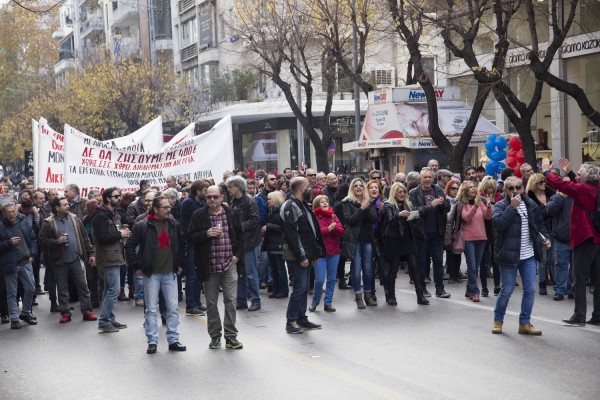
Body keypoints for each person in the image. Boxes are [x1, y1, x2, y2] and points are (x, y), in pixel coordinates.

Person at [125, 196, 187, 354]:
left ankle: (173, 340)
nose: (169, 209)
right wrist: (136, 266)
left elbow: (182, 244)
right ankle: (152, 341)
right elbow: (130, 246)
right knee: (151, 309)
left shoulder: (174, 224)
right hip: (151, 274)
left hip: (170, 274)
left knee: (173, 308)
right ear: (156, 209)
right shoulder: (142, 226)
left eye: (169, 207)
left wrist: (180, 265)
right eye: (165, 207)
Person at [542, 158, 600, 326]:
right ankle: (597, 315)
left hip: (585, 238)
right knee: (597, 281)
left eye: (579, 173)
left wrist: (546, 171)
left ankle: (579, 316)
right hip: (597, 240)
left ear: (586, 178)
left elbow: (564, 186)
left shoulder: (583, 190)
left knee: (579, 279)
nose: (577, 176)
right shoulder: (594, 188)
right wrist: (570, 172)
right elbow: (575, 184)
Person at [186, 185, 244, 349]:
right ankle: (215, 336)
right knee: (211, 303)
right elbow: (189, 236)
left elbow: (240, 236)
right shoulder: (199, 215)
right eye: (209, 197)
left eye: (215, 196)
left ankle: (231, 336)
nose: (212, 200)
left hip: (228, 263)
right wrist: (206, 233)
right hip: (209, 265)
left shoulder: (230, 213)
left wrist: (237, 256)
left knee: (231, 301)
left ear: (221, 197)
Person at [491, 176, 550, 335]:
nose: (515, 191)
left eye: (518, 187)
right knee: (507, 290)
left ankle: (524, 323)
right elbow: (500, 226)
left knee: (530, 289)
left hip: (528, 255)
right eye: (511, 188)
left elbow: (540, 226)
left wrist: (546, 239)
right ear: (505, 190)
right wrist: (512, 207)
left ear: (523, 188)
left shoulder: (531, 205)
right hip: (508, 256)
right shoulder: (500, 206)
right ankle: (498, 320)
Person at [38, 197, 97, 323]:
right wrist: (56, 241)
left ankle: (87, 311)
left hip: (75, 259)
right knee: (62, 288)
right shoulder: (48, 222)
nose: (68, 206)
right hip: (59, 261)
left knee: (83, 286)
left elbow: (84, 237)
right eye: (64, 204)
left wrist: (91, 253)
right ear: (57, 208)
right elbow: (42, 241)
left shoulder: (74, 218)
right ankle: (65, 312)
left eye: (68, 203)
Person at [282, 177, 325, 333]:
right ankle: (291, 321)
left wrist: (313, 253)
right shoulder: (289, 206)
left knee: (304, 287)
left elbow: (309, 232)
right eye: (308, 186)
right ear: (301, 188)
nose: (311, 189)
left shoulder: (302, 205)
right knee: (299, 288)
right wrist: (302, 256)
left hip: (306, 254)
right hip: (297, 256)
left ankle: (301, 318)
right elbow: (292, 235)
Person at [383, 182, 429, 305]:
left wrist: (416, 218)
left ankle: (420, 296)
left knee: (415, 269)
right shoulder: (388, 205)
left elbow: (412, 226)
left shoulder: (407, 205)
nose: (402, 194)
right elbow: (390, 222)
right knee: (393, 270)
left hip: (408, 241)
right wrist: (398, 215)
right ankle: (391, 296)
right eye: (400, 192)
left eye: (404, 192)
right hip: (394, 241)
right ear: (394, 193)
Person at [92, 187, 131, 333]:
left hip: (115, 255)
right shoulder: (100, 216)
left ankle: (109, 318)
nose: (119, 198)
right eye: (116, 196)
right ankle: (103, 321)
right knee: (114, 289)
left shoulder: (112, 214)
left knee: (108, 289)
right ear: (108, 198)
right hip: (108, 256)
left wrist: (122, 233)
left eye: (119, 195)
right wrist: (119, 234)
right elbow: (102, 238)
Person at [409, 168, 451, 299]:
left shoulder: (439, 190)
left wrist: (443, 204)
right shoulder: (414, 192)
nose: (427, 179)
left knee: (438, 262)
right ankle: (422, 289)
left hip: (437, 232)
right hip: (421, 233)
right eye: (424, 177)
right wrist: (430, 206)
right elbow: (414, 210)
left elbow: (448, 208)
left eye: (429, 177)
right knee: (422, 262)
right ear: (420, 179)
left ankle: (440, 289)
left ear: (433, 178)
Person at [340, 178, 378, 308]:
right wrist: (361, 208)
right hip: (354, 241)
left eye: (361, 185)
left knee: (368, 269)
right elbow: (350, 221)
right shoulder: (346, 202)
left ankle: (368, 295)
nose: (358, 187)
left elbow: (373, 219)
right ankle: (358, 297)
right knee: (356, 269)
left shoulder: (369, 202)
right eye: (355, 185)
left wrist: (366, 207)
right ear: (352, 188)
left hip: (367, 239)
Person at [0, 202, 38, 329]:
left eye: (13, 211)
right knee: (12, 292)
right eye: (8, 212)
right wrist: (8, 243)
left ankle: (26, 312)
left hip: (25, 261)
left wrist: (32, 254)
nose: (11, 214)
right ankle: (14, 319)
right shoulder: (1, 226)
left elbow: (32, 239)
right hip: (10, 264)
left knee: (30, 288)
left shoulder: (23, 221)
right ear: (4, 214)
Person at [227, 176, 262, 312]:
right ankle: (241, 300)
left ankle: (255, 300)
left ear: (238, 187)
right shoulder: (233, 201)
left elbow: (255, 220)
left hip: (249, 242)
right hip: (237, 243)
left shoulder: (250, 201)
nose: (229, 189)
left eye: (231, 186)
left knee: (251, 273)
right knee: (240, 272)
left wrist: (238, 227)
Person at [456, 180, 492, 302]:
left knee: (475, 266)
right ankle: (476, 291)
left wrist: (488, 205)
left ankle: (469, 289)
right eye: (470, 187)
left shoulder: (480, 201)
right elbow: (466, 218)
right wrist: (476, 206)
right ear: (465, 190)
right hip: (468, 238)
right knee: (471, 266)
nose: (473, 188)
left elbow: (488, 217)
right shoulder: (462, 203)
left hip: (481, 237)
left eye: (474, 187)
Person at [309, 195, 344, 312]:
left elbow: (341, 231)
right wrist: (327, 229)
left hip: (334, 251)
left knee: (331, 279)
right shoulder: (313, 216)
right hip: (319, 252)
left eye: (326, 201)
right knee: (319, 279)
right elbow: (313, 233)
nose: (324, 203)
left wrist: (334, 229)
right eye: (321, 202)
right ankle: (315, 301)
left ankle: (328, 302)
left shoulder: (333, 215)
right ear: (317, 204)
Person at [180, 180, 209, 316]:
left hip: (198, 242)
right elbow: (200, 219)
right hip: (191, 242)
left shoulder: (198, 203)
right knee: (192, 275)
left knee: (198, 275)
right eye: (205, 190)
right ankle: (190, 306)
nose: (207, 193)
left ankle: (197, 303)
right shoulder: (188, 203)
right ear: (198, 191)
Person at [526, 173, 555, 295]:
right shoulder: (530, 198)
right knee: (543, 258)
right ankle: (542, 282)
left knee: (553, 259)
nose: (544, 183)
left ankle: (556, 282)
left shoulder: (551, 194)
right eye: (540, 182)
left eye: (544, 181)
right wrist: (549, 209)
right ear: (534, 184)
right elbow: (537, 216)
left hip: (554, 230)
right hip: (540, 231)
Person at [262, 191, 288, 299]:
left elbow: (283, 228)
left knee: (280, 268)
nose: (268, 201)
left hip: (279, 244)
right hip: (271, 243)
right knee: (273, 268)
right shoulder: (270, 210)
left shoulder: (281, 210)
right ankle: (276, 289)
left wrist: (268, 226)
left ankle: (283, 290)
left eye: (270, 199)